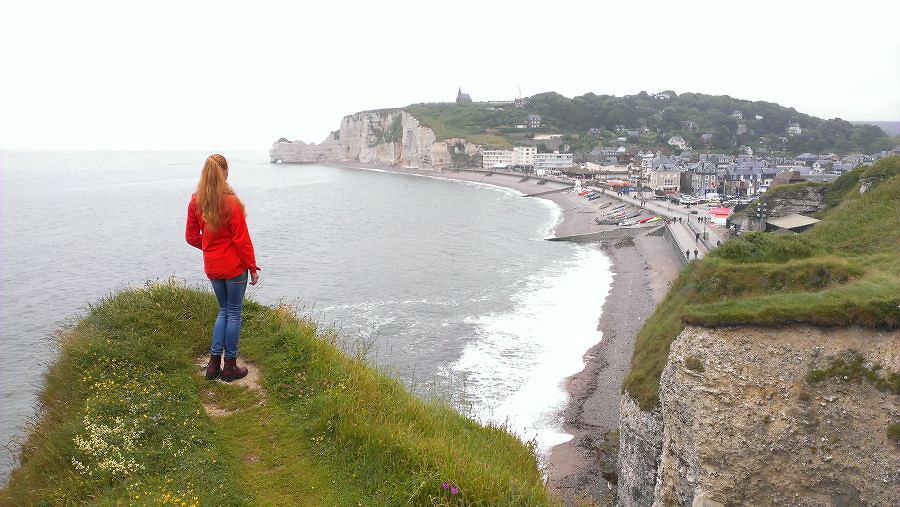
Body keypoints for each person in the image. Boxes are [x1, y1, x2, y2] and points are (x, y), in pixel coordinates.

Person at [186, 154, 260, 382]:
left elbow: (191, 237)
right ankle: (229, 368)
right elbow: (242, 240)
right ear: (225, 172)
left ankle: (213, 366)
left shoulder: (196, 200)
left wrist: (210, 248)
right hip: (234, 267)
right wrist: (252, 267)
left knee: (223, 311)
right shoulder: (231, 202)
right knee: (234, 313)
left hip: (213, 266)